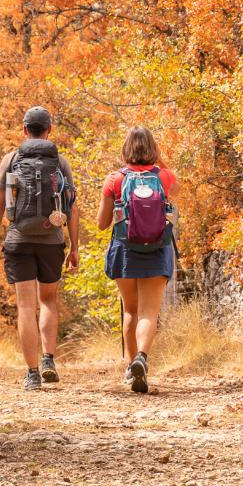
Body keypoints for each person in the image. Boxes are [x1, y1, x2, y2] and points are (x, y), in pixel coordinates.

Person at [0, 106, 79, 391]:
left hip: (18, 239)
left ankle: (32, 374)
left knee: (25, 306)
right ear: (49, 130)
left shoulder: (10, 160)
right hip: (52, 240)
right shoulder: (60, 162)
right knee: (48, 301)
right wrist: (74, 246)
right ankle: (49, 358)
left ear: (25, 130)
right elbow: (73, 208)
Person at [97, 125, 179, 394]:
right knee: (148, 312)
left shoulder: (115, 180)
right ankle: (143, 357)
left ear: (125, 149)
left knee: (130, 311)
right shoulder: (164, 177)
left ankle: (132, 366)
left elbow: (101, 223)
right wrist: (158, 160)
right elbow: (178, 189)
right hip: (156, 249)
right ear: (153, 149)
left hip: (125, 250)